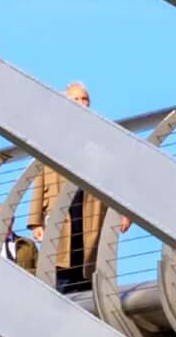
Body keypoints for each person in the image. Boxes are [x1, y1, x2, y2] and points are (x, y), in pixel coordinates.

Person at [13, 86, 106, 289]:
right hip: (60, 214)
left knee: (89, 270)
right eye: (77, 99)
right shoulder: (52, 137)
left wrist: (123, 214)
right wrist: (35, 222)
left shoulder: (100, 137)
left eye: (85, 99)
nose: (83, 103)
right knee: (61, 272)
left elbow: (111, 179)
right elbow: (40, 179)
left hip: (90, 212)